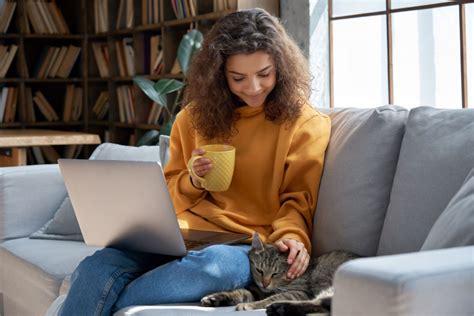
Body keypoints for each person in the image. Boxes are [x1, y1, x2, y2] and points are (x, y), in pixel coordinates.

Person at [59, 8, 331, 315]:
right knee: (97, 267)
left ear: (281, 67)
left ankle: (97, 304)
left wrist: (292, 239)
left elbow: (298, 199)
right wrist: (193, 181)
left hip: (243, 245)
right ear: (219, 74)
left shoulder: (305, 123)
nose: (253, 87)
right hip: (180, 234)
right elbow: (167, 193)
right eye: (238, 78)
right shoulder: (192, 119)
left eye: (264, 74)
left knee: (213, 268)